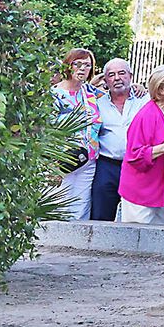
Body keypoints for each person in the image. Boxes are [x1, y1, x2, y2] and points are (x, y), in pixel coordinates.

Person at [120, 66, 164, 225]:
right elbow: (134, 155)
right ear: (161, 89)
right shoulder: (146, 115)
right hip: (143, 188)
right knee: (137, 233)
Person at [91, 59, 148, 222]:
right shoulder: (97, 103)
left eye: (122, 73)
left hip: (137, 165)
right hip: (107, 165)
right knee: (101, 215)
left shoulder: (144, 101)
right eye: (111, 75)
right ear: (105, 80)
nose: (117, 78)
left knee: (138, 217)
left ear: (131, 76)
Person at [50, 48, 103, 220]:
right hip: (61, 160)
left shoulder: (91, 92)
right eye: (77, 64)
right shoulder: (54, 95)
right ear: (68, 65)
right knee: (58, 205)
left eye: (87, 65)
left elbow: (118, 96)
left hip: (88, 159)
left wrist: (137, 87)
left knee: (81, 208)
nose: (82, 68)